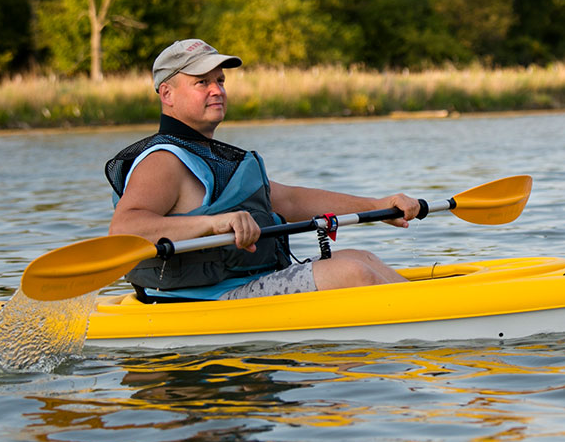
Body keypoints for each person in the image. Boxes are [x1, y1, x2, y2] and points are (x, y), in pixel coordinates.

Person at [106, 38, 419, 301]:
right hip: (203, 300)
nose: (216, 90)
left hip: (244, 283)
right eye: (202, 82)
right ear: (167, 94)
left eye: (220, 81)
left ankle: (427, 313)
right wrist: (213, 224)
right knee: (352, 274)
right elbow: (124, 229)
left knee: (359, 257)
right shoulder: (163, 160)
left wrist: (378, 206)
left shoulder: (211, 155)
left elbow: (290, 201)